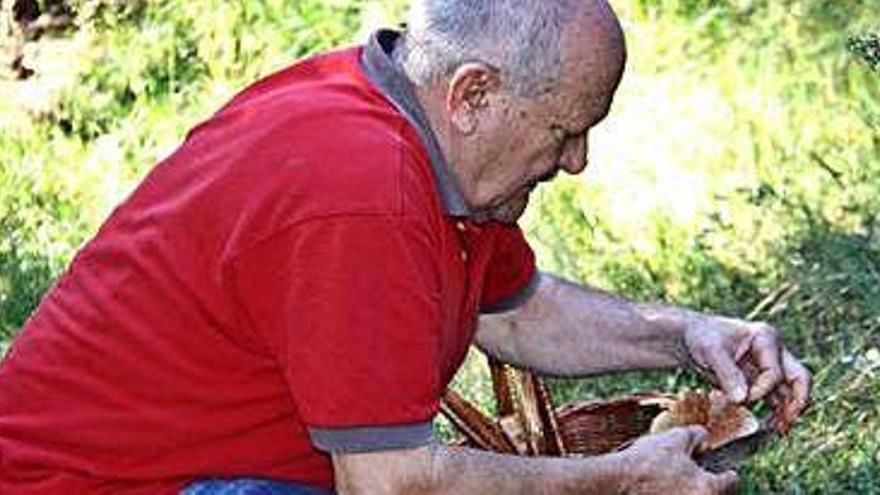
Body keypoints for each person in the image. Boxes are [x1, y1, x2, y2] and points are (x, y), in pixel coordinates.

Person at [0, 0, 811, 493]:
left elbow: (519, 312)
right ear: (473, 94)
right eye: (565, 132)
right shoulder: (364, 192)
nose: (576, 163)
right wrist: (622, 477)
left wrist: (688, 333)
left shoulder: (411, 133)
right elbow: (391, 485)